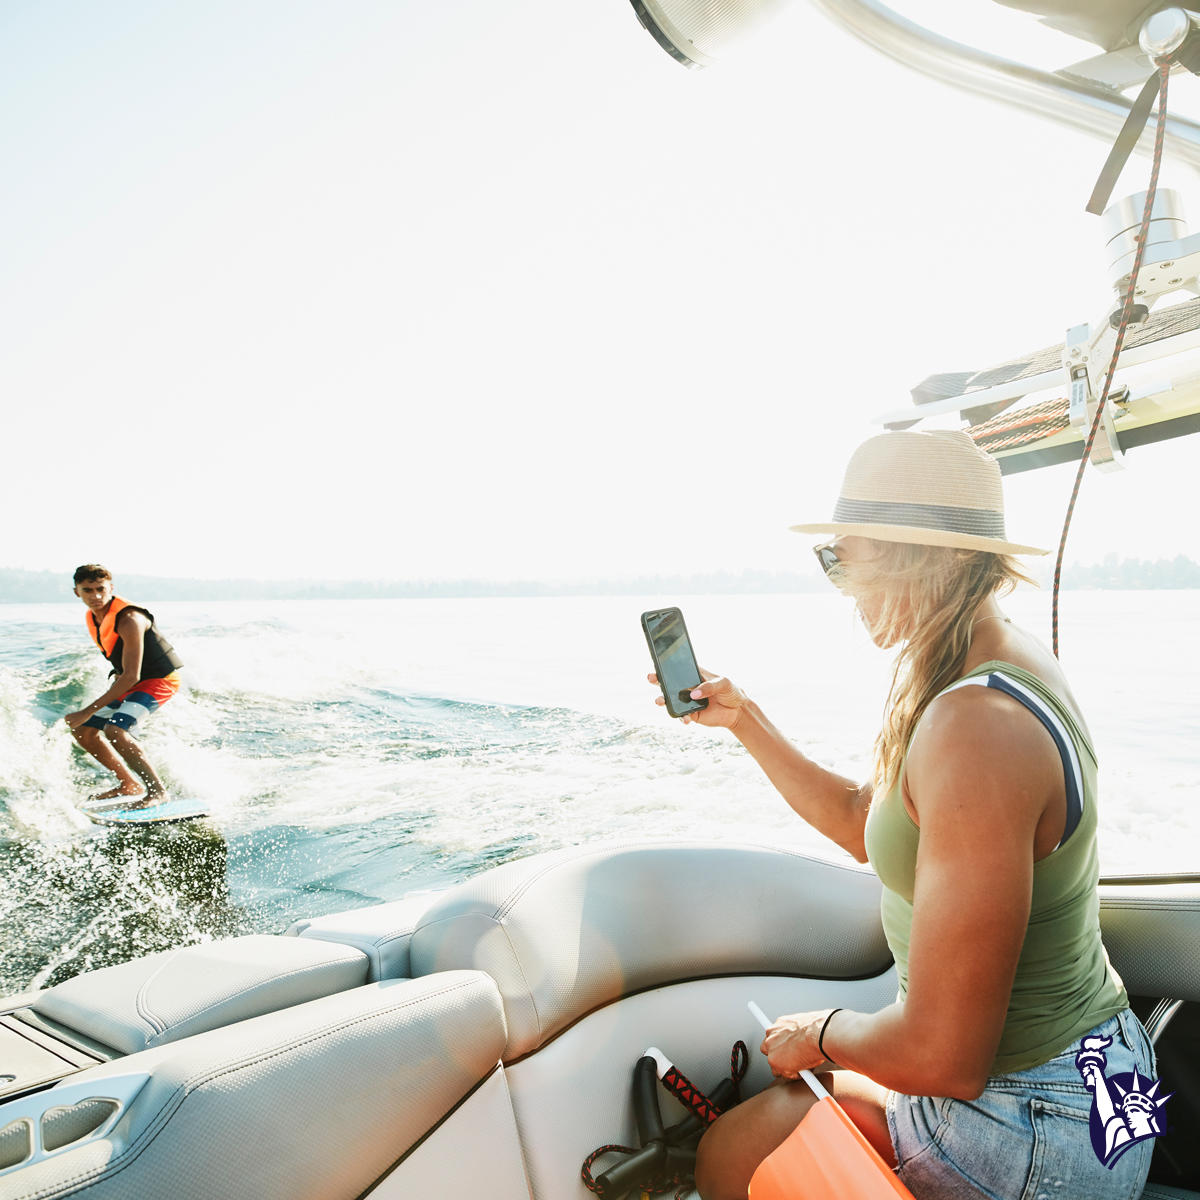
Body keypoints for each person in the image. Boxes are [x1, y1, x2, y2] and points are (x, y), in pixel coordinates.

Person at [651, 431, 1156, 1200]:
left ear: (934, 557)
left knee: (733, 1159)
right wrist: (744, 719)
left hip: (1029, 1126)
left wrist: (817, 1034)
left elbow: (944, 1057)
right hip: (1101, 1084)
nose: (842, 586)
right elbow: (867, 821)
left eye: (846, 559)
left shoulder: (976, 725)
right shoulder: (990, 665)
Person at [66, 564, 184, 805]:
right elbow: (126, 673)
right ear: (77, 592)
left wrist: (86, 710)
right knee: (83, 730)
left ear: (111, 588)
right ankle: (128, 784)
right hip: (133, 682)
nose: (96, 596)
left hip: (159, 681)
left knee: (115, 730)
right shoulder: (93, 616)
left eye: (101, 589)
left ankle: (158, 791)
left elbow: (132, 676)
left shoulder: (130, 619)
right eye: (88, 590)